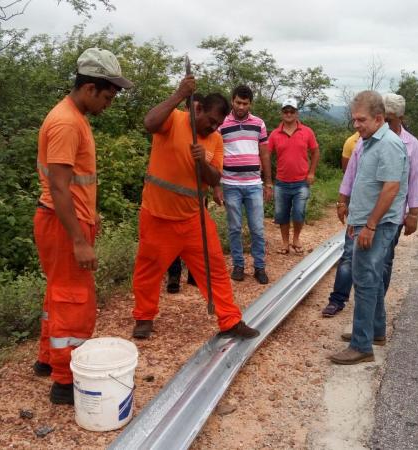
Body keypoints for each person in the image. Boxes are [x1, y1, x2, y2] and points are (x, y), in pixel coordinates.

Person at [32, 48, 133, 404]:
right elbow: (59, 186)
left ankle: (47, 359)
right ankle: (64, 381)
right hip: (63, 227)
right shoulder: (66, 122)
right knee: (73, 300)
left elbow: (75, 182)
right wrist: (79, 239)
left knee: (58, 293)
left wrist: (90, 214)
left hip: (68, 220)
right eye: (107, 96)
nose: (109, 103)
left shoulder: (75, 117)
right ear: (89, 88)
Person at [130, 75, 260, 340]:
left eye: (218, 124)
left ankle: (230, 320)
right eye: (211, 121)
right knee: (148, 270)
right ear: (198, 109)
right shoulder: (173, 119)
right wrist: (179, 93)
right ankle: (144, 318)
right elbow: (149, 122)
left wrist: (202, 163)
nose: (213, 127)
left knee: (215, 269)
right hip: (157, 217)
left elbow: (215, 178)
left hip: (193, 220)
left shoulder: (215, 141)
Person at [321, 94, 418, 318]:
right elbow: (354, 174)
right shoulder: (364, 140)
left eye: (391, 118)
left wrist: (413, 212)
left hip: (387, 217)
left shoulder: (408, 144)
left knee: (380, 266)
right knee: (352, 259)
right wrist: (343, 199)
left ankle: (370, 326)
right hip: (364, 215)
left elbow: (413, 180)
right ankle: (340, 301)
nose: (387, 122)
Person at [328, 91, 409, 365]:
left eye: (361, 120)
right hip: (366, 222)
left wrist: (370, 225)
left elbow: (391, 187)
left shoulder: (388, 144)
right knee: (370, 279)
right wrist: (355, 219)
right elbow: (367, 184)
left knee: (364, 281)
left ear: (378, 118)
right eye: (354, 119)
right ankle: (375, 332)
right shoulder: (370, 142)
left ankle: (361, 345)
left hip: (378, 225)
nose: (356, 125)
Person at [214, 85, 272, 284]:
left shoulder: (259, 124)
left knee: (257, 228)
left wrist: (268, 184)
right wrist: (217, 186)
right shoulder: (222, 124)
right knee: (234, 227)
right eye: (238, 102)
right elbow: (216, 154)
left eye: (245, 103)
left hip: (254, 183)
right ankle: (238, 265)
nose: (241, 107)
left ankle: (259, 267)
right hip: (230, 183)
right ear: (232, 100)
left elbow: (264, 153)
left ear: (250, 104)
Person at [267, 98, 320, 255]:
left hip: (301, 181)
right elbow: (266, 154)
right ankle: (285, 243)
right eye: (286, 111)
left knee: (299, 212)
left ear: (297, 113)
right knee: (281, 215)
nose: (289, 114)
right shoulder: (275, 134)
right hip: (281, 182)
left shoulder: (307, 131)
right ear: (282, 113)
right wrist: (267, 179)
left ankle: (296, 238)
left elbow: (315, 151)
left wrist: (311, 172)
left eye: (292, 111)